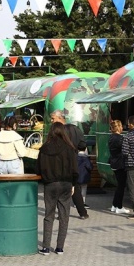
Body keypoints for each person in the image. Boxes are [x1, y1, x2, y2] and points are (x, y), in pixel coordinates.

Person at [36, 122, 78, 255]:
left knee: (49, 215)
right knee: (64, 215)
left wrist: (44, 179)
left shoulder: (44, 149)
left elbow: (38, 168)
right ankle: (60, 247)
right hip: (66, 184)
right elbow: (75, 170)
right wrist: (73, 184)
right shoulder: (70, 148)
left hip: (50, 184)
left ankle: (46, 247)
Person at [50, 109, 89, 219]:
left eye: (53, 118)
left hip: (59, 162)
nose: (52, 121)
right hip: (73, 161)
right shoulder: (75, 129)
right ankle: (82, 213)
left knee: (60, 187)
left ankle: (62, 213)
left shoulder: (56, 131)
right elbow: (83, 145)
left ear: (60, 118)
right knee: (74, 187)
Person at [108, 120, 130, 214]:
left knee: (119, 185)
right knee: (121, 186)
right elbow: (125, 150)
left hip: (113, 162)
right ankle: (119, 207)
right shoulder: (120, 138)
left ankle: (114, 205)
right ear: (119, 127)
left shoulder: (111, 137)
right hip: (120, 163)